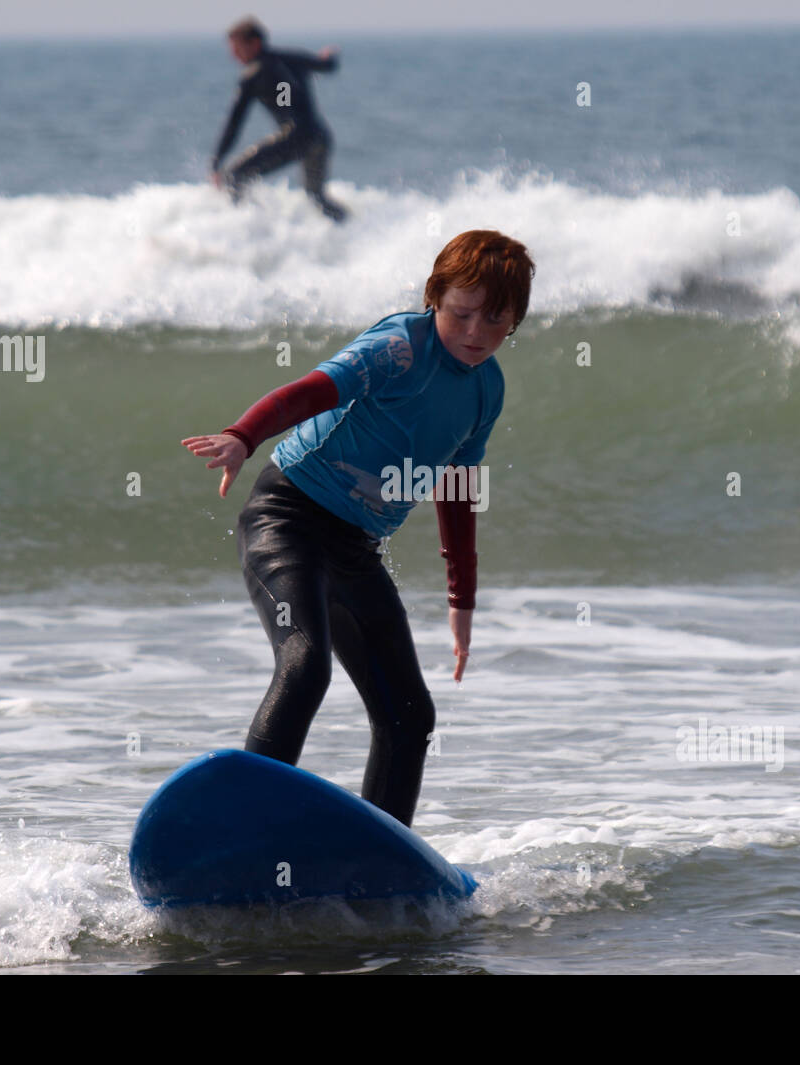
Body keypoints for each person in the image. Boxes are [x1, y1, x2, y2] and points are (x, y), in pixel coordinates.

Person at [181, 230, 535, 827]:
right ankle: (243, 829)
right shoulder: (398, 346)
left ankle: (382, 860)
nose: (476, 332)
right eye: (462, 313)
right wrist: (244, 435)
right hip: (287, 517)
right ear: (434, 298)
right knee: (305, 665)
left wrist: (461, 598)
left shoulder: (486, 390)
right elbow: (311, 392)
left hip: (354, 548)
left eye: (496, 320)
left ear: (516, 320)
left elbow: (457, 488)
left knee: (409, 714)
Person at [209, 16, 348, 222]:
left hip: (296, 137)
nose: (234, 55)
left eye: (237, 48)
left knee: (233, 179)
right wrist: (331, 54)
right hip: (319, 136)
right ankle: (354, 229)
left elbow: (234, 122)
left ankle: (252, 229)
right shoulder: (291, 58)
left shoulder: (253, 75)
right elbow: (327, 65)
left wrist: (216, 161)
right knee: (316, 197)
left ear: (254, 44)